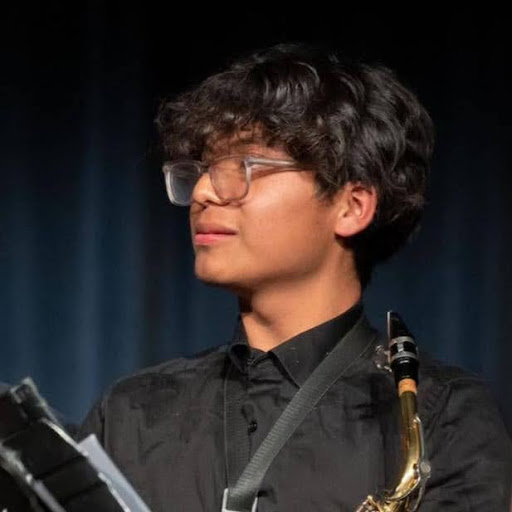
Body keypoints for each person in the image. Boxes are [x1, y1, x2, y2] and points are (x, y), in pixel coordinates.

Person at [78, 43, 512, 511]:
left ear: (352, 207)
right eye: (203, 169)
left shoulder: (442, 417)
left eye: (245, 166)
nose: (203, 191)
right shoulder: (128, 413)